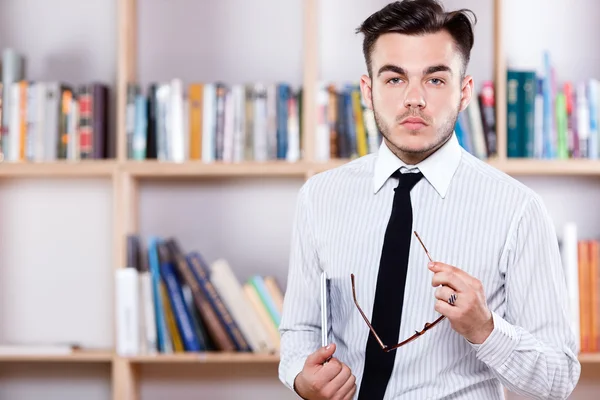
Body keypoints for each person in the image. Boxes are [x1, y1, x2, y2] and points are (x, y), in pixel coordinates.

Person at [278, 0, 581, 399]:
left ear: (464, 91)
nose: (414, 99)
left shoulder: (517, 210)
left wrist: (485, 328)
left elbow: (559, 377)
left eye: (435, 80)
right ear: (368, 91)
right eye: (394, 79)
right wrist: (302, 378)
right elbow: (299, 331)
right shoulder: (319, 197)